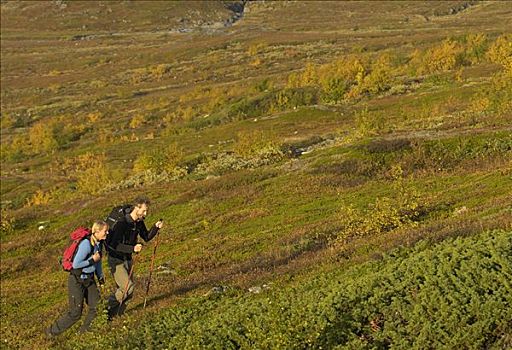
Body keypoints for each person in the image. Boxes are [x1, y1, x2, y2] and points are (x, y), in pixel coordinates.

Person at [46, 220, 108, 336]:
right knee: (75, 313)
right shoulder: (86, 244)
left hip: (89, 280)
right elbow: (76, 264)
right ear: (97, 231)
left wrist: (100, 278)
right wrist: (92, 260)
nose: (107, 233)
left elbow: (98, 262)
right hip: (77, 280)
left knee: (96, 306)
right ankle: (51, 332)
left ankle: (85, 332)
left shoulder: (99, 244)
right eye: (105, 231)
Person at [105, 195, 163, 319]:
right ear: (136, 207)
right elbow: (113, 244)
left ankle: (115, 317)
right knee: (128, 287)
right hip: (116, 259)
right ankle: (105, 308)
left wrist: (155, 228)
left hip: (128, 258)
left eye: (147, 210)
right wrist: (133, 248)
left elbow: (146, 237)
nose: (146, 213)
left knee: (128, 292)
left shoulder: (139, 222)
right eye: (144, 210)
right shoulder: (122, 223)